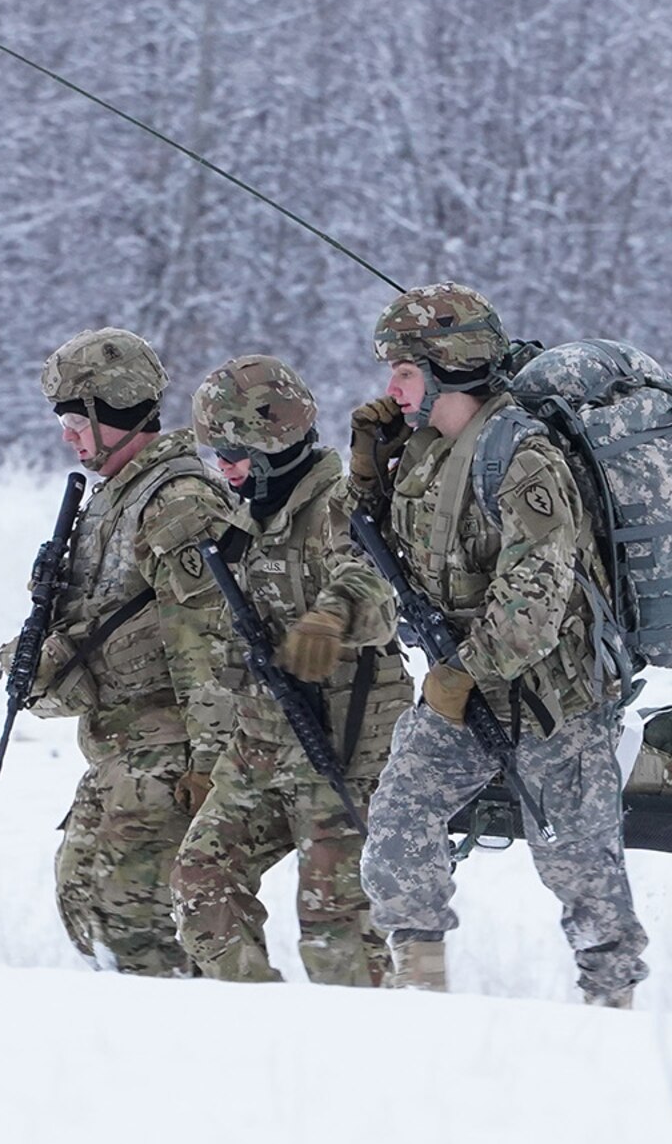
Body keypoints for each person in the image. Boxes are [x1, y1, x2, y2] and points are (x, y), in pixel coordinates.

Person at [350, 282, 649, 1006]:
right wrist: (367, 474)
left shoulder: (522, 458)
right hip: (466, 690)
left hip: (554, 700)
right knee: (395, 831)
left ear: (449, 367)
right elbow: (368, 563)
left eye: (406, 370)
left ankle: (614, 1013)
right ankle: (420, 989)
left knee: (580, 869)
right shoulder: (423, 453)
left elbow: (534, 605)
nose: (392, 386)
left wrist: (462, 675)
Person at [0, 327, 241, 976]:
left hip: (168, 756)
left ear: (115, 411)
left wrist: (210, 768)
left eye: (77, 420)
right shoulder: (114, 494)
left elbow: (210, 644)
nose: (68, 437)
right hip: (116, 749)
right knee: (86, 904)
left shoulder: (178, 499)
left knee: (139, 931)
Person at [167, 354, 413, 985]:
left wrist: (332, 615)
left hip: (344, 745)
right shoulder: (246, 518)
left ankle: (368, 1055)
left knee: (337, 933)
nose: (222, 469)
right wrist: (212, 753)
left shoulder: (340, 501)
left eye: (232, 453)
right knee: (200, 883)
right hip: (260, 745)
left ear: (271, 442)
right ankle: (259, 1024)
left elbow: (376, 581)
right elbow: (226, 648)